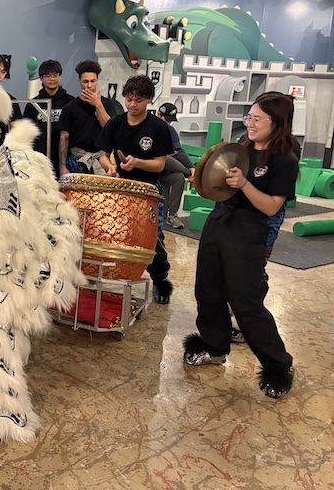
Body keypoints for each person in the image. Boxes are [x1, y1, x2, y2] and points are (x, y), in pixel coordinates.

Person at [183, 92, 298, 399]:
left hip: (248, 232)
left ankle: (278, 366)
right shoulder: (242, 148)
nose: (250, 123)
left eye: (257, 119)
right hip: (219, 223)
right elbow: (217, 185)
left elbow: (272, 207)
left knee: (246, 304)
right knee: (207, 290)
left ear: (277, 123)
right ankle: (214, 346)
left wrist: (245, 184)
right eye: (249, 117)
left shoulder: (284, 161)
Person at [96, 75, 174, 304]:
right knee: (117, 234)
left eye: (138, 100)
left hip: (148, 191)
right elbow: (102, 155)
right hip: (121, 189)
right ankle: (117, 276)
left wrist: (137, 162)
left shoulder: (158, 128)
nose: (132, 104)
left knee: (152, 239)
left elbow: (159, 164)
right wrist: (110, 166)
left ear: (148, 99)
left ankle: (160, 279)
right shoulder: (115, 123)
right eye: (129, 99)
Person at [56, 59, 118, 177]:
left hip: (100, 159)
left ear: (97, 81)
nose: (89, 85)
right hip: (76, 159)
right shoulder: (70, 107)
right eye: (85, 81)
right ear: (79, 81)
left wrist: (98, 105)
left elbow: (110, 130)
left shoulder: (107, 104)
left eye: (92, 81)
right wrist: (62, 166)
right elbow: (64, 137)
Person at [23, 59, 74, 177]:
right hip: (38, 158)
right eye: (48, 75)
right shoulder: (33, 104)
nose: (52, 79)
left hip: (64, 159)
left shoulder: (70, 102)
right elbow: (26, 133)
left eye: (55, 75)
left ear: (60, 76)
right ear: (41, 78)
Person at [156, 102, 195, 229]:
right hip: (151, 166)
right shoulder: (149, 127)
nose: (169, 123)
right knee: (165, 158)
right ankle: (191, 175)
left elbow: (179, 150)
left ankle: (172, 215)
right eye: (166, 120)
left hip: (165, 169)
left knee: (178, 177)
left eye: (170, 121)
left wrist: (191, 166)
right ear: (158, 114)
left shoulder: (170, 130)